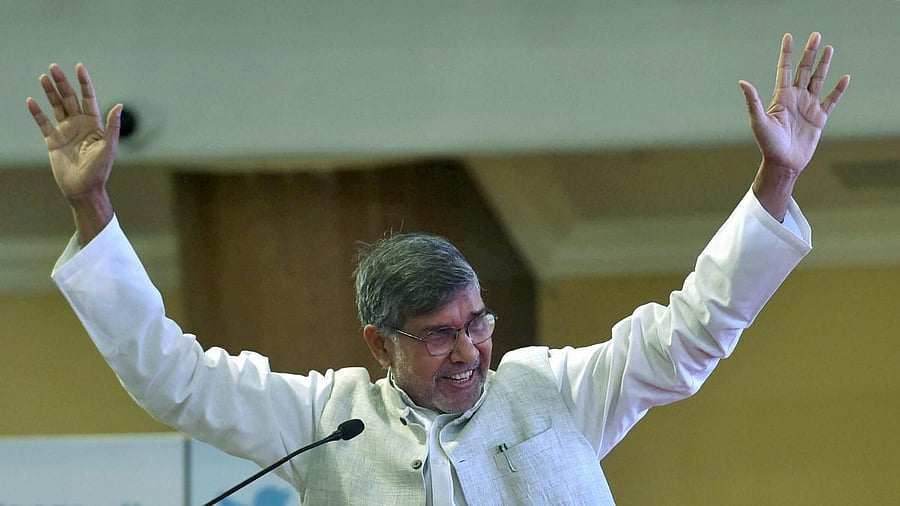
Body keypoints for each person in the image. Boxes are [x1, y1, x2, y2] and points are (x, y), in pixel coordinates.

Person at [27, 32, 849, 505]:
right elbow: (174, 378)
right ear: (380, 345)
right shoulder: (325, 420)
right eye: (438, 337)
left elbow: (692, 333)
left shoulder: (557, 391)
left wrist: (776, 180)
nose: (469, 351)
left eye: (476, 324)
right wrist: (93, 208)